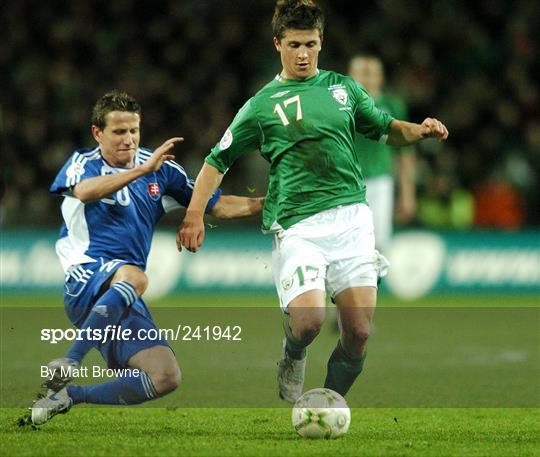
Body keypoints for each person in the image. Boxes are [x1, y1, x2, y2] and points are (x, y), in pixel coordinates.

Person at [178, 0, 448, 404]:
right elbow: (217, 160)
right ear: (277, 44)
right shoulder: (261, 105)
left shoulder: (343, 88)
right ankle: (293, 353)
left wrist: (420, 131)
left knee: (357, 331)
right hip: (299, 224)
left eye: (310, 44)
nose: (302, 54)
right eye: (294, 45)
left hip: (353, 218)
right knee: (309, 323)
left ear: (321, 42)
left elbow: (386, 129)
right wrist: (194, 214)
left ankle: (325, 403)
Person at [31, 90, 264, 425]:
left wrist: (270, 203)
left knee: (165, 376)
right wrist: (142, 171)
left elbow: (217, 204)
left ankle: (67, 396)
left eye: (133, 131)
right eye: (119, 132)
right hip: (85, 277)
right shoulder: (84, 163)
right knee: (138, 277)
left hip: (121, 294)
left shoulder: (161, 170)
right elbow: (84, 191)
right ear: (98, 133)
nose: (128, 139)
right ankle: (69, 361)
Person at [349, 55, 416, 251]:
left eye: (371, 74)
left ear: (381, 78)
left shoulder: (393, 106)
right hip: (347, 183)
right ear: (350, 77)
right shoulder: (341, 107)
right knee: (349, 243)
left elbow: (405, 153)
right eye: (361, 74)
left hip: (380, 182)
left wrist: (407, 193)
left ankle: (372, 283)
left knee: (379, 245)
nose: (366, 79)